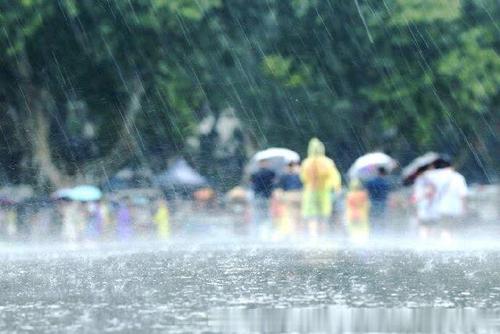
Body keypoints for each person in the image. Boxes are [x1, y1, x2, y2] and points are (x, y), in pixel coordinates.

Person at [413, 158, 468, 239]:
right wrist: (464, 208)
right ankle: (446, 247)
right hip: (451, 208)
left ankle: (424, 246)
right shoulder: (457, 177)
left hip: (432, 209)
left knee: (427, 229)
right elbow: (463, 194)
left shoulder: (427, 175)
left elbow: (422, 193)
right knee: (447, 229)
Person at [301, 138, 341, 237]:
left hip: (310, 192)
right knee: (323, 215)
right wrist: (336, 187)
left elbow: (303, 178)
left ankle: (313, 235)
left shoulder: (306, 163)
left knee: (312, 216)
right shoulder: (328, 162)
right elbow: (335, 176)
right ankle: (322, 235)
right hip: (324, 192)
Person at [275, 161, 303, 237]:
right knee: (298, 215)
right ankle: (297, 232)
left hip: (289, 196)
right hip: (299, 196)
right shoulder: (300, 175)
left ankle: (293, 232)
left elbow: (279, 188)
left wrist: (280, 198)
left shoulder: (284, 175)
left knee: (291, 215)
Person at [250, 159, 276, 235]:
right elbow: (274, 182)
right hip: (267, 196)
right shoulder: (271, 173)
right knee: (267, 213)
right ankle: (268, 231)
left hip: (257, 196)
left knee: (257, 214)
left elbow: (251, 183)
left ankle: (256, 232)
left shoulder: (254, 173)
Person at [364, 167, 391, 233]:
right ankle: (381, 233)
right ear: (384, 174)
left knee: (372, 220)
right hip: (382, 204)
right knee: (381, 219)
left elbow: (367, 192)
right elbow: (388, 193)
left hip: (373, 202)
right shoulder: (386, 183)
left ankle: (372, 233)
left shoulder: (371, 182)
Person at [345, 179, 370, 243]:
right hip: (361, 214)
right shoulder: (363, 194)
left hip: (352, 215)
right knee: (362, 228)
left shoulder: (350, 195)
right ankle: (363, 240)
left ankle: (353, 240)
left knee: (353, 228)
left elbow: (348, 205)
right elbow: (367, 204)